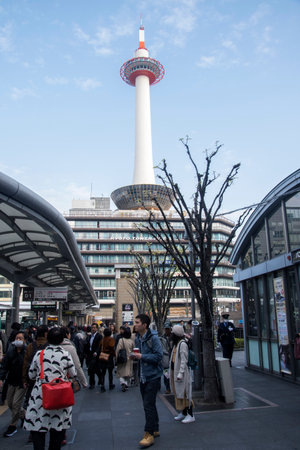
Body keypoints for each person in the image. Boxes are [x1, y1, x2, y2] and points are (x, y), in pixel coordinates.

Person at [23, 327, 76, 450]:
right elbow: (73, 373)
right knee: (57, 434)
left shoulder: (39, 354)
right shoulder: (65, 354)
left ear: (47, 338)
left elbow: (31, 374)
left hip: (40, 397)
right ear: (62, 340)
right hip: (59, 398)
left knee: (38, 432)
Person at [132, 314, 163, 448]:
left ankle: (149, 433)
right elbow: (141, 356)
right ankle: (155, 428)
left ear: (144, 325)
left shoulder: (154, 338)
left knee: (148, 405)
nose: (135, 324)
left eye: (138, 322)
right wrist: (135, 357)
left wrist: (141, 356)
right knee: (150, 404)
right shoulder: (138, 338)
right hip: (143, 376)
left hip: (153, 376)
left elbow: (158, 356)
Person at [0, 331, 27, 437]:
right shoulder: (11, 352)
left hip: (22, 382)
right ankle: (23, 415)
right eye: (17, 338)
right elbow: (5, 367)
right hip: (11, 381)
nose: (18, 340)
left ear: (25, 340)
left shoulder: (26, 352)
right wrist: (1, 378)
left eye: (21, 338)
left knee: (16, 404)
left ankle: (12, 426)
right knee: (10, 403)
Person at [169, 325, 195, 424]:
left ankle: (190, 414)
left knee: (185, 393)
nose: (171, 334)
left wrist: (180, 373)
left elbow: (184, 360)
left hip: (181, 374)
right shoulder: (177, 343)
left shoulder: (182, 344)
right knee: (178, 393)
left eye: (172, 332)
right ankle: (183, 412)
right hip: (175, 372)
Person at [85, 322, 102, 389]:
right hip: (90, 354)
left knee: (96, 369)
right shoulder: (89, 336)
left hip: (96, 355)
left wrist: (96, 352)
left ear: (97, 329)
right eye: (92, 328)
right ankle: (92, 383)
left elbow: (99, 345)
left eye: (94, 328)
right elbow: (87, 344)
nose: (93, 329)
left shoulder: (99, 336)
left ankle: (100, 379)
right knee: (91, 369)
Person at [116, 327, 133, 391]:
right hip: (129, 358)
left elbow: (118, 349)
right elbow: (133, 350)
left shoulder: (121, 340)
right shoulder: (131, 341)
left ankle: (123, 382)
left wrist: (116, 357)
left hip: (121, 358)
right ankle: (126, 383)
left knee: (121, 371)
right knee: (128, 372)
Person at [99, 328, 115, 392]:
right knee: (110, 371)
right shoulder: (111, 339)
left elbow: (100, 346)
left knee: (103, 372)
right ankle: (110, 384)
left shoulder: (102, 340)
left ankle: (102, 385)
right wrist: (114, 354)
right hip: (109, 356)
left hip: (103, 355)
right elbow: (112, 347)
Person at [161, 322, 173, 394]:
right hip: (165, 359)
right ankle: (167, 388)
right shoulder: (162, 338)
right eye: (166, 329)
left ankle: (172, 387)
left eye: (168, 329)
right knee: (166, 375)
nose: (167, 330)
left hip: (172, 358)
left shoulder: (174, 337)